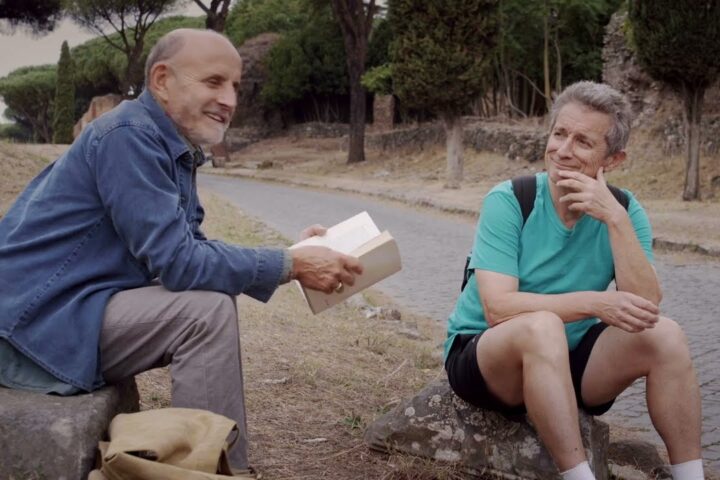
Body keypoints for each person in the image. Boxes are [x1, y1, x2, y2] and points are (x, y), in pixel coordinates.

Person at [0, 28, 362, 475]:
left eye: (235, 86)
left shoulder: (166, 142)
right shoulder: (128, 135)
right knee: (204, 311)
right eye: (213, 82)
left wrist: (292, 252)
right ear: (162, 80)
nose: (229, 100)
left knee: (208, 302)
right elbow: (179, 264)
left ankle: (214, 463)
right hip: (36, 324)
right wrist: (291, 265)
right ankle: (214, 471)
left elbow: (189, 249)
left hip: (73, 308)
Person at [444, 81, 704, 480]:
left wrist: (614, 219)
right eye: (559, 134)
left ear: (613, 159)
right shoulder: (510, 200)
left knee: (665, 335)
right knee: (542, 325)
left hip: (570, 362)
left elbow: (645, 305)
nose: (562, 150)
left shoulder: (625, 210)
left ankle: (691, 475)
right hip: (488, 359)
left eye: (582, 141)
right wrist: (595, 304)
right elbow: (498, 308)